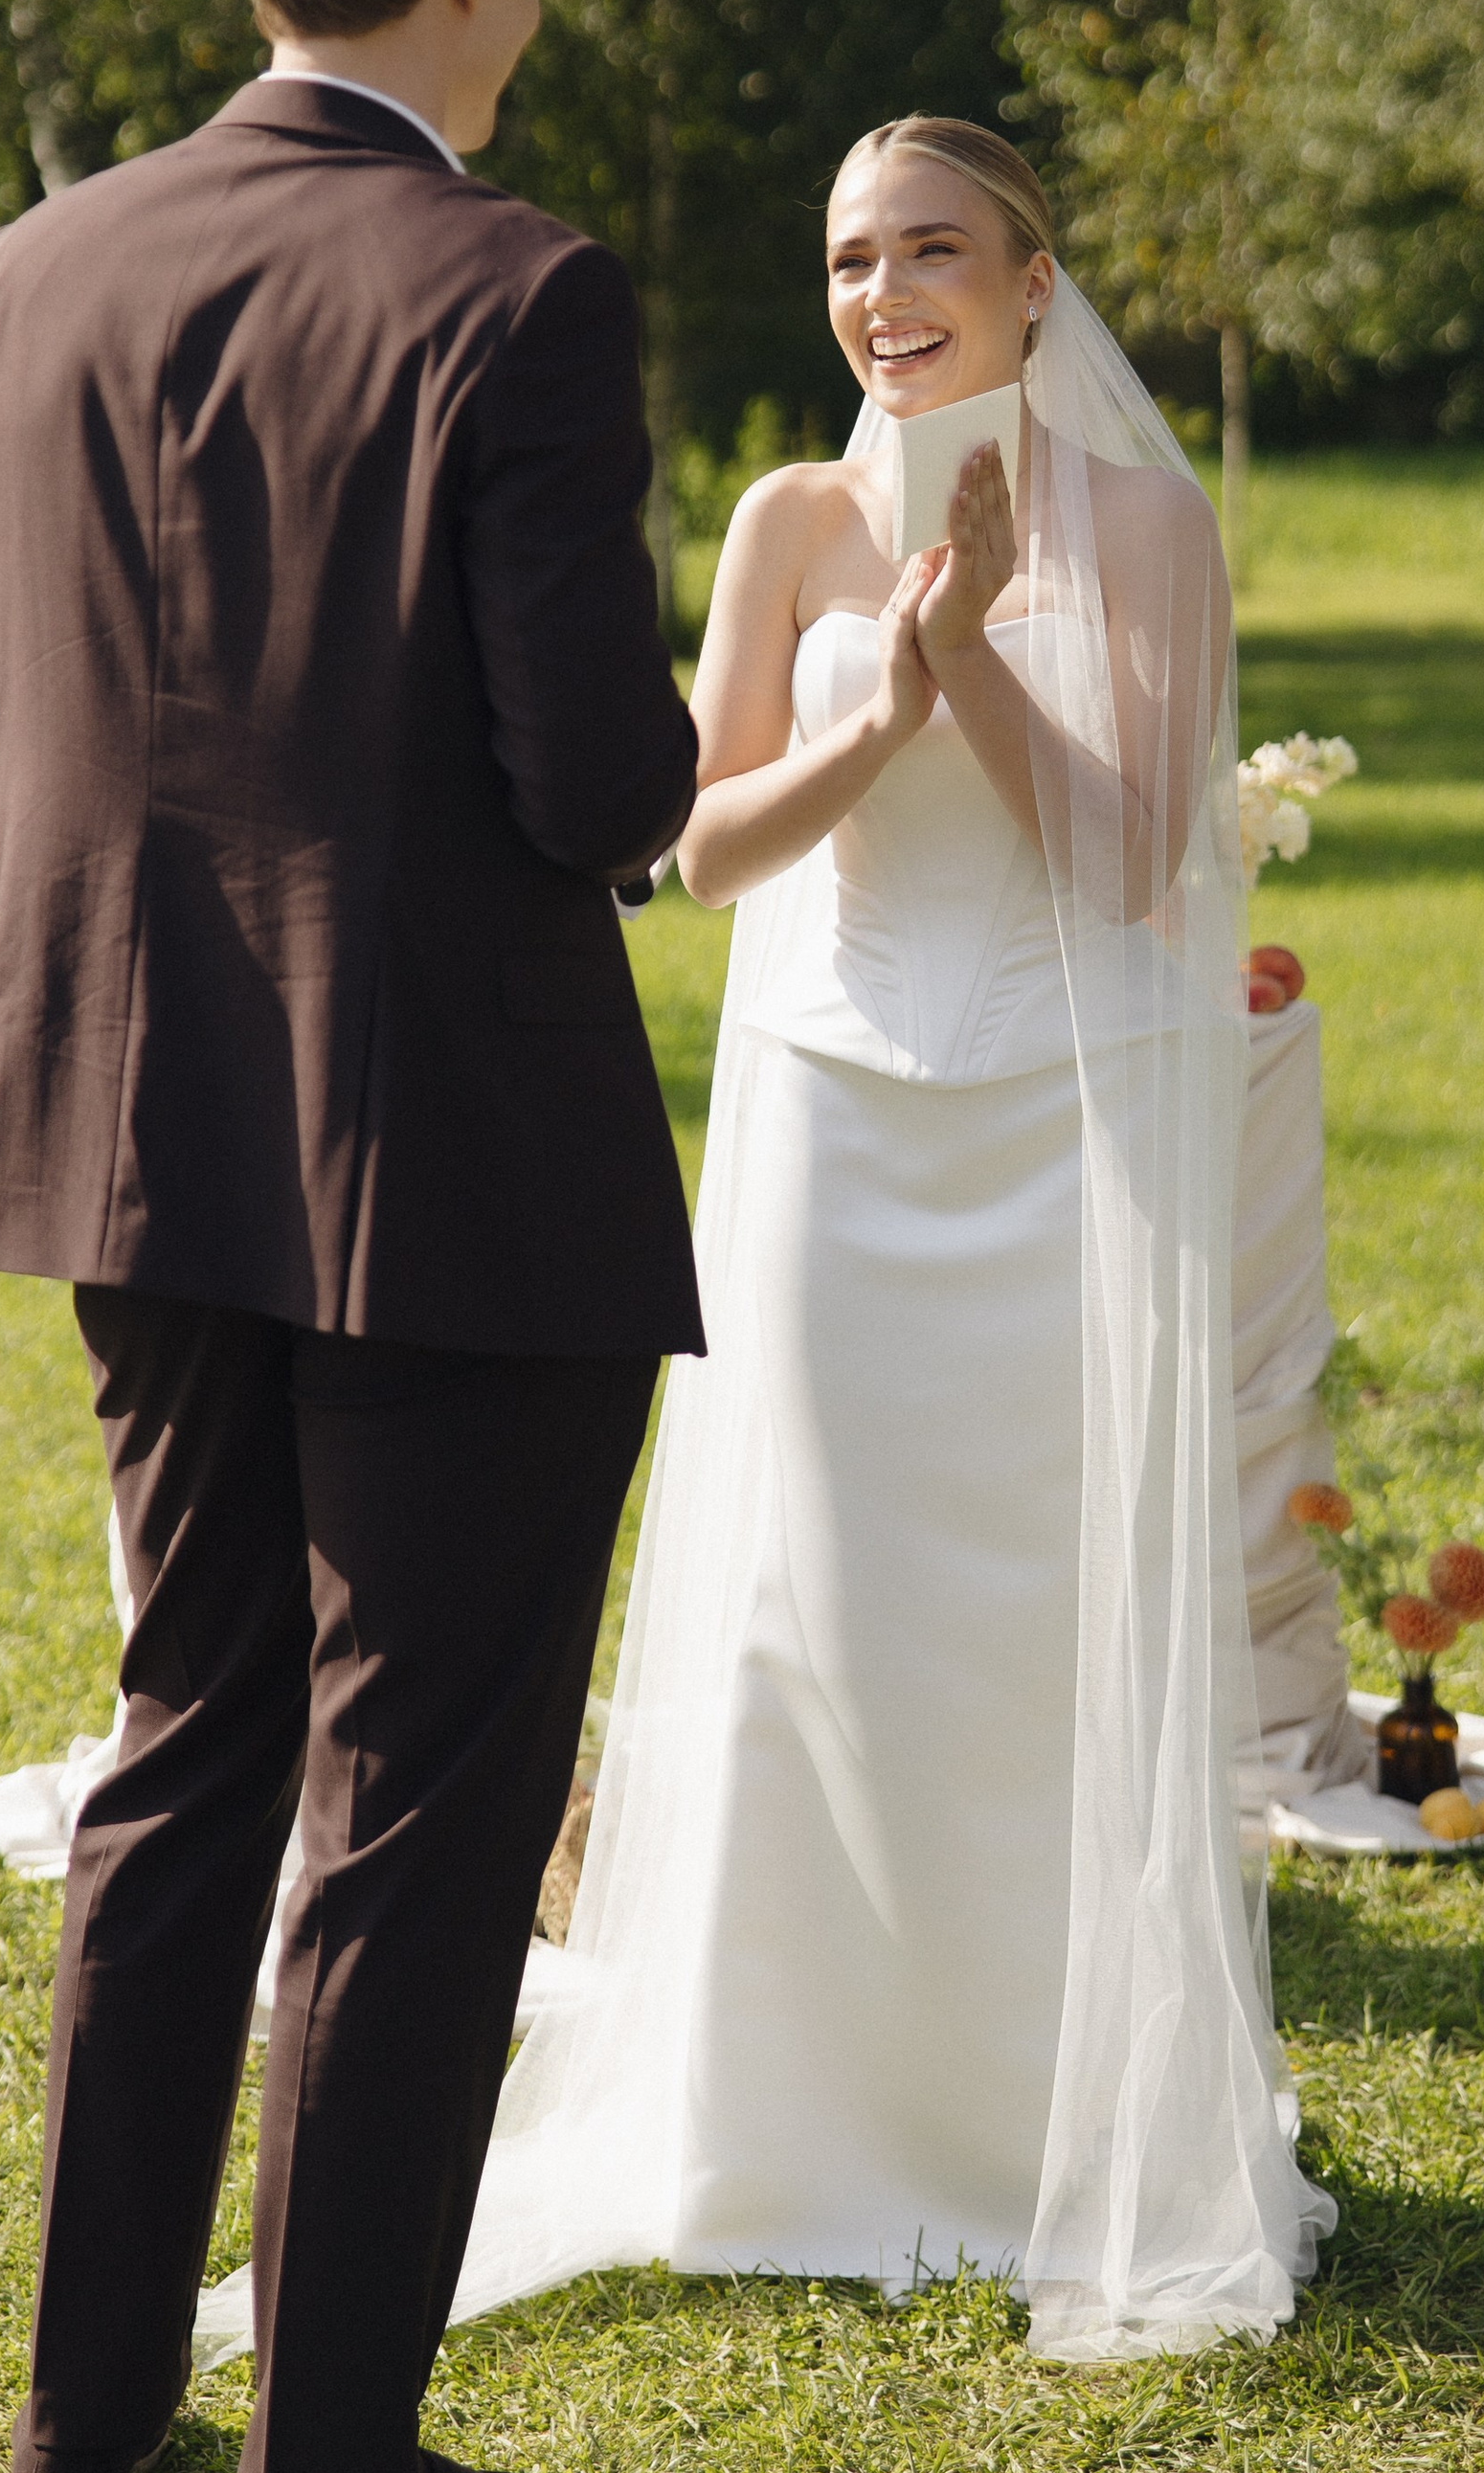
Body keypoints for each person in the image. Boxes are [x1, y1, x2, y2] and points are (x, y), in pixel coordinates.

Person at [0, 0, 700, 2473]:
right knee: (423, 1801)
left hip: (131, 1136)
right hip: (458, 1163)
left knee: (189, 1739)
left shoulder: (31, 272)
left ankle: (84, 2420)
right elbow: (597, 778)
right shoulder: (520, 289)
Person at [440, 116, 1336, 2352]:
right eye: (847, 255)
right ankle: (783, 2118)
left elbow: (1141, 867)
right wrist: (888, 709)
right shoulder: (788, 521)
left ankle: (1027, 2121)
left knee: (1031, 1606)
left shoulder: (1142, 521)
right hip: (834, 1121)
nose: (881, 290)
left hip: (1055, 1121)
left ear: (1033, 279)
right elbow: (699, 846)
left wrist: (978, 661)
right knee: (812, 1600)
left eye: (930, 246)